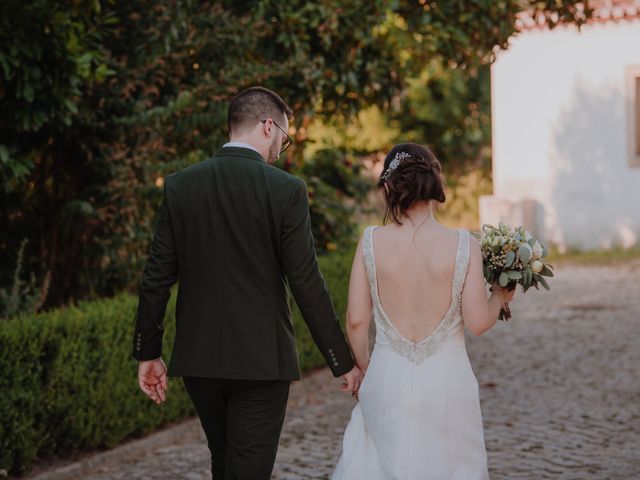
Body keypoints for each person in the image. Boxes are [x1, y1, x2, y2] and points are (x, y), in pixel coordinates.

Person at [132, 86, 362, 479]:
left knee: (224, 465)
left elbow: (156, 278)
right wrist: (341, 360)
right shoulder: (286, 190)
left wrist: (148, 353)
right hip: (262, 363)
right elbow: (307, 282)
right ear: (268, 126)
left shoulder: (180, 185)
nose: (281, 150)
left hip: (200, 362)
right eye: (284, 139)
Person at [332, 143, 515, 479]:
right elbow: (477, 322)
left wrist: (363, 369)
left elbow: (356, 320)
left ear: (389, 187)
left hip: (387, 376)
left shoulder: (370, 241)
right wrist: (500, 296)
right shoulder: (464, 244)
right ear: (435, 185)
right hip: (448, 382)